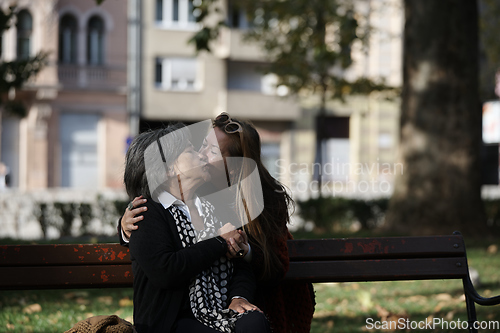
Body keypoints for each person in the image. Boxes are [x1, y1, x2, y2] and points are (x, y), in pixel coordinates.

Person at [121, 114, 315, 333]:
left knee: (253, 321)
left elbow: (270, 265)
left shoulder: (260, 198)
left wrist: (241, 263)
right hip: (178, 313)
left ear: (233, 165)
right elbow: (159, 247)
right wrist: (125, 228)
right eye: (200, 147)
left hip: (259, 294)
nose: (202, 155)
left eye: (211, 151)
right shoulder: (170, 202)